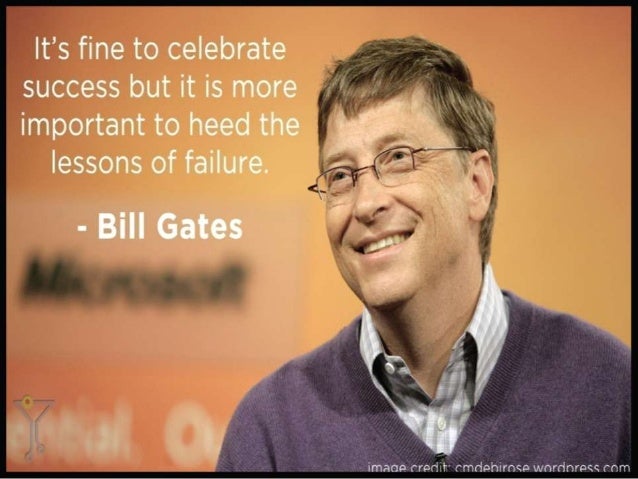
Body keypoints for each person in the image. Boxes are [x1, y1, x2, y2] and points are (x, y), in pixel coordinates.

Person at [216, 36, 631, 473]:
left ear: (476, 184)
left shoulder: (609, 389)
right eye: (340, 176)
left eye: (398, 158)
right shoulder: (272, 430)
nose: (365, 204)